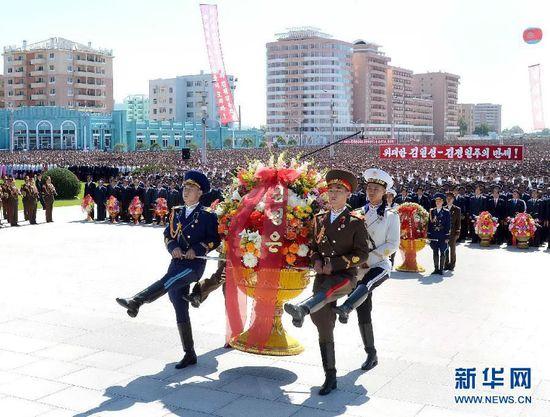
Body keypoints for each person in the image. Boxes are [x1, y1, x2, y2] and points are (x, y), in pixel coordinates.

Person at [115, 170, 220, 369]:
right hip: (177, 263)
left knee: (169, 280)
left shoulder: (207, 215)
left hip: (194, 266)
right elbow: (167, 235)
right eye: (185, 187)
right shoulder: (176, 211)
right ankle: (189, 353)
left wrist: (196, 249)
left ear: (200, 193)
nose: (186, 191)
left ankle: (137, 301)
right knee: (179, 305)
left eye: (191, 188)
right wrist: (174, 248)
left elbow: (215, 239)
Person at [284, 169, 369, 396]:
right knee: (323, 325)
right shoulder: (319, 219)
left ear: (348, 195)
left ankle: (303, 308)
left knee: (328, 291)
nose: (332, 194)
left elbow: (362, 255)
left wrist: (337, 264)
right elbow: (313, 248)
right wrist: (316, 261)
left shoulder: (355, 221)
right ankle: (330, 375)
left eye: (338, 191)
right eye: (330, 190)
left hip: (344, 276)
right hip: (323, 276)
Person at [333, 169, 400, 372]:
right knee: (365, 309)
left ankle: (346, 307)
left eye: (376, 189)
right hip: (358, 267)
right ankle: (371, 353)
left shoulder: (391, 216)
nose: (371, 192)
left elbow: (392, 244)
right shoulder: (357, 213)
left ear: (384, 192)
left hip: (378, 264)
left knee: (366, 284)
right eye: (369, 188)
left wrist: (367, 258)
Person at [428, 193, 450, 275]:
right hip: (434, 234)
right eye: (436, 201)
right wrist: (429, 235)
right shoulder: (432, 211)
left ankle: (441, 269)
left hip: (442, 235)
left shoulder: (446, 212)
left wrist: (447, 236)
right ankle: (436, 268)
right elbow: (429, 224)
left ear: (443, 202)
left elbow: (448, 225)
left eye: (439, 201)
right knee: (435, 251)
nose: (438, 202)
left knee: (442, 252)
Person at [444, 192, 461, 271]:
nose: (449, 200)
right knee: (445, 249)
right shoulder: (444, 208)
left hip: (453, 232)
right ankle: (446, 264)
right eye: (447, 199)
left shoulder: (457, 209)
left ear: (453, 200)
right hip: (445, 233)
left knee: (452, 249)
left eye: (450, 199)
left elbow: (458, 222)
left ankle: (452, 265)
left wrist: (458, 232)